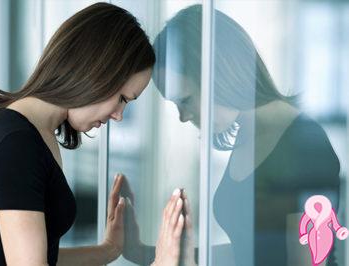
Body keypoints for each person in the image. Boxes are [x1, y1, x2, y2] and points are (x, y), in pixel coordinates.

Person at [0, 3, 185, 266]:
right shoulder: (16, 143)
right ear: (96, 72)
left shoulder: (32, 133)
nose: (119, 115)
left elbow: (35, 258)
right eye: (122, 98)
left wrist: (109, 249)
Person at [123, 4, 341, 266]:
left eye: (186, 100)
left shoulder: (305, 144)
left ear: (219, 75)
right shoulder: (248, 134)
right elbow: (248, 252)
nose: (183, 116)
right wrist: (144, 252)